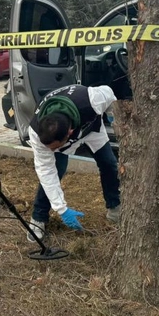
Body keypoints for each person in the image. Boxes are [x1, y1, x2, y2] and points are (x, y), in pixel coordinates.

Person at [25, 84, 121, 242]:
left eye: (55, 147)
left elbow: (110, 93)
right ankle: (38, 218)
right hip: (68, 132)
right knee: (55, 170)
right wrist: (62, 209)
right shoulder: (37, 133)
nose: (51, 151)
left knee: (109, 164)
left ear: (69, 134)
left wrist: (113, 116)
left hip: (91, 128)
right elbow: (46, 172)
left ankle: (114, 207)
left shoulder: (93, 100)